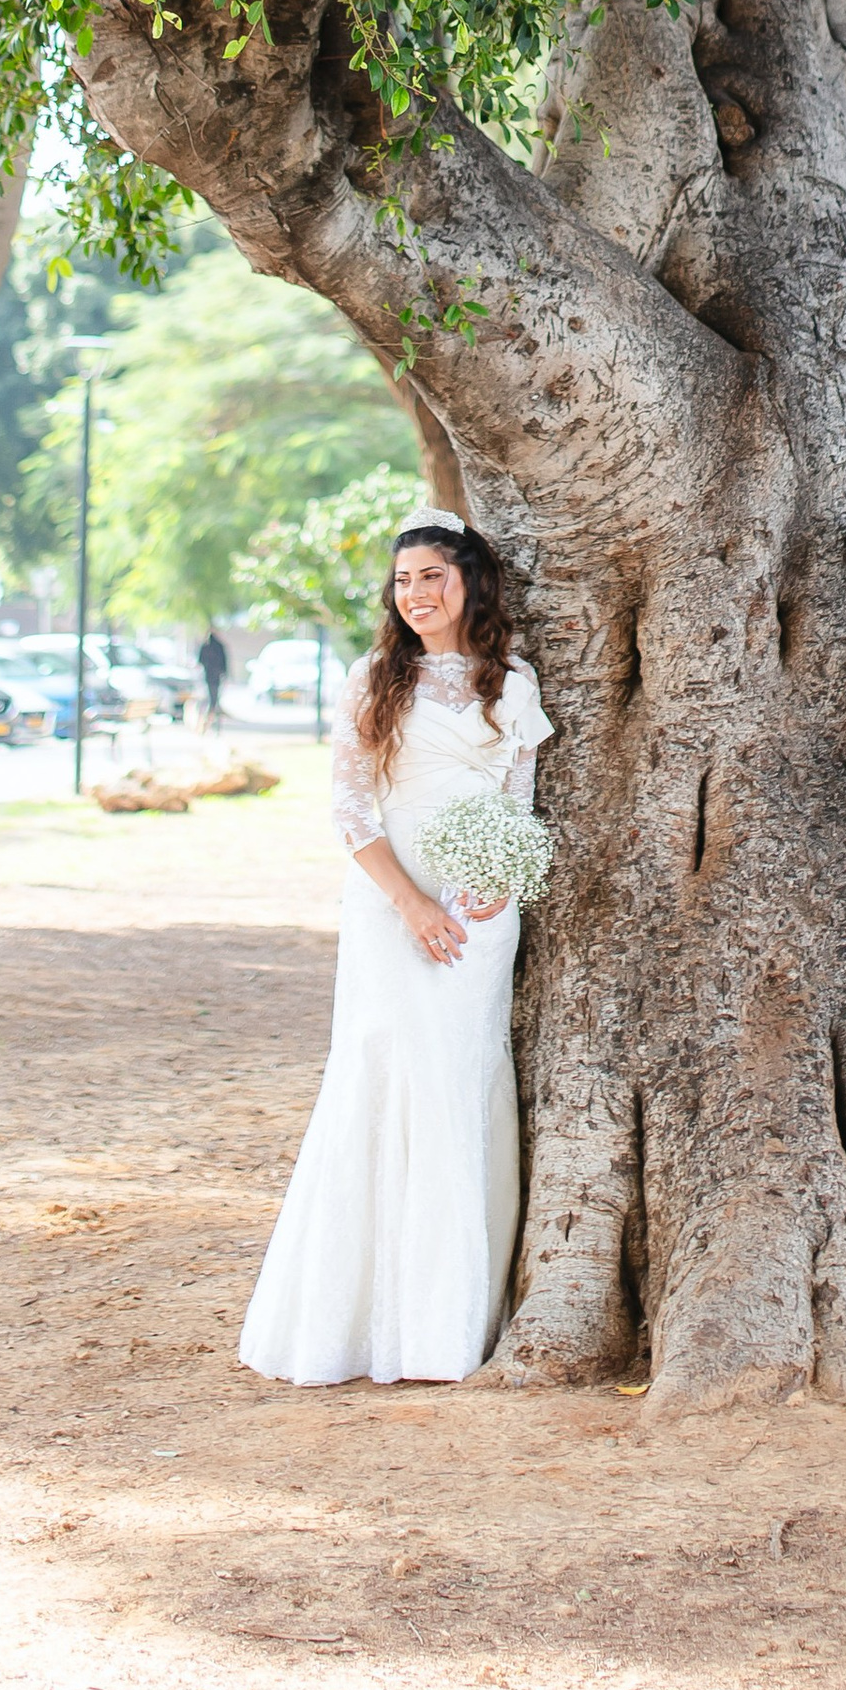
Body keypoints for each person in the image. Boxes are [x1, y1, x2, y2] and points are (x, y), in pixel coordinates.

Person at [239, 512, 552, 1386]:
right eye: (403, 580)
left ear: (470, 582)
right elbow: (350, 811)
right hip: (391, 903)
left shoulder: (512, 680)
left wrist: (500, 881)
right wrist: (411, 903)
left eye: (432, 576)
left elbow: (518, 798)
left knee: (459, 1084)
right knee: (386, 1075)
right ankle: (355, 1322)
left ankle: (447, 1323)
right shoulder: (375, 677)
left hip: (479, 914)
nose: (415, 594)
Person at [195, 626, 229, 729]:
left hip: (209, 676)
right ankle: (210, 716)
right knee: (212, 698)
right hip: (214, 676)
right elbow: (224, 662)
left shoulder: (207, 646)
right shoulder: (218, 646)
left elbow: (200, 661)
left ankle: (209, 717)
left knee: (211, 698)